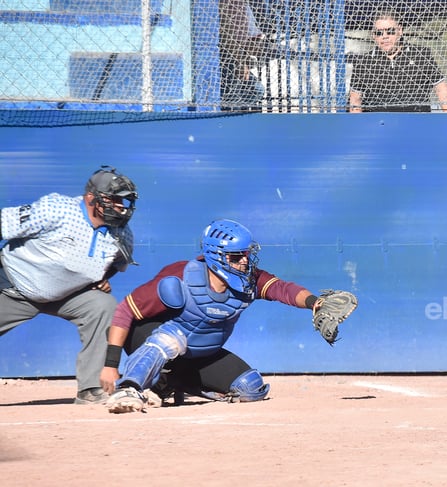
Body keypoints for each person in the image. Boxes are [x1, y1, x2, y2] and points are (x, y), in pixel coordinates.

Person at [101, 219, 355, 414]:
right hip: (158, 341)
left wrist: (315, 303)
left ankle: (171, 384)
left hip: (201, 354)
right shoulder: (181, 276)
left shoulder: (249, 280)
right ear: (216, 256)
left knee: (251, 388)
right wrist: (110, 365)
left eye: (246, 254)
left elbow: (283, 289)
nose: (245, 262)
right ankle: (130, 389)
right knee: (169, 339)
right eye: (237, 257)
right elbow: (124, 311)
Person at [0, 166, 138, 405]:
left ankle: (91, 388)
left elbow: (117, 263)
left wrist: (101, 279)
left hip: (67, 295)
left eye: (124, 201)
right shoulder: (58, 209)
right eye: (114, 199)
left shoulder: (122, 234)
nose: (120, 207)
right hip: (13, 286)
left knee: (102, 305)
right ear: (90, 198)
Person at [349, 8, 447, 112]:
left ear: (399, 31)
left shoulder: (421, 55)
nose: (385, 36)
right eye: (379, 33)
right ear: (373, 35)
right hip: (378, 125)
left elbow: (441, 88)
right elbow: (355, 101)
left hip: (418, 123)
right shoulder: (363, 62)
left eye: (390, 31)